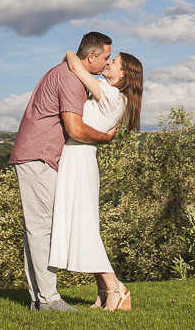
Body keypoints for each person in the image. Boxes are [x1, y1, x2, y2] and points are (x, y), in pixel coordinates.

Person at [9, 32, 117, 312]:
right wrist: (105, 138)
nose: (107, 64)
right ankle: (49, 299)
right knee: (41, 228)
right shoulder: (69, 79)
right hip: (39, 156)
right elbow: (75, 129)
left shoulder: (67, 72)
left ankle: (40, 299)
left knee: (36, 228)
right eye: (106, 58)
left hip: (36, 156)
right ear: (90, 57)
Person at [49, 48, 143, 311]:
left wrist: (69, 53)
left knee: (85, 228)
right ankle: (104, 290)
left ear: (123, 74)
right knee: (82, 226)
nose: (108, 64)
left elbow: (78, 68)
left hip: (79, 159)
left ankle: (116, 288)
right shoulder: (115, 97)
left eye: (113, 62)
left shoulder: (111, 92)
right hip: (78, 157)